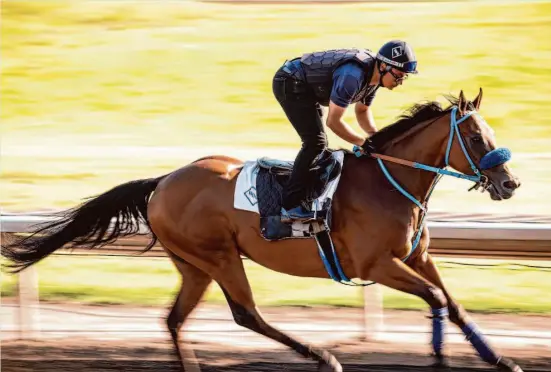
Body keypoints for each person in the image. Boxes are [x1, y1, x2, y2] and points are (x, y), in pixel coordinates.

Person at [272, 40, 418, 222]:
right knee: (315, 143)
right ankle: (290, 206)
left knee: (319, 146)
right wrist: (362, 143)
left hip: (305, 85)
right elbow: (333, 121)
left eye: (404, 77)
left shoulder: (374, 80)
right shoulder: (352, 77)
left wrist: (376, 139)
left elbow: (362, 111)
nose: (400, 82)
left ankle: (308, 192)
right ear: (383, 66)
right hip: (290, 82)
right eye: (398, 75)